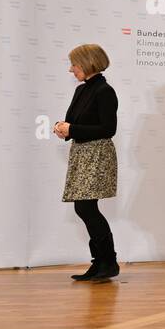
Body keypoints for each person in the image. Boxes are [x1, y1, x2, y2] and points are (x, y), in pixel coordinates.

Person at [54, 44, 120, 282]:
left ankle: (108, 262)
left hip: (97, 154)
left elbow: (108, 129)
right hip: (81, 152)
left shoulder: (105, 91)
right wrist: (64, 129)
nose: (71, 69)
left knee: (85, 207)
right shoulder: (81, 90)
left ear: (87, 63)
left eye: (74, 64)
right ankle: (101, 263)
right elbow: (75, 122)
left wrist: (73, 129)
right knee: (84, 207)